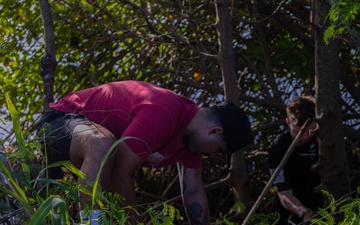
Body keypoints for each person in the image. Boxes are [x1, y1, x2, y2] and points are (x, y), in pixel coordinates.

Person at [37, 80, 253, 224]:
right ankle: (91, 222)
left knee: (105, 147)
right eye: (218, 150)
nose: (213, 155)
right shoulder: (164, 111)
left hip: (89, 157)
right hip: (59, 124)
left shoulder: (190, 147)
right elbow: (120, 171)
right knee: (103, 144)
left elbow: (193, 191)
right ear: (215, 132)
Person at [268, 96, 323, 224]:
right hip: (292, 213)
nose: (304, 137)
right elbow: (284, 193)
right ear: (288, 122)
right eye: (298, 131)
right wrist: (303, 212)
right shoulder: (278, 149)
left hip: (323, 206)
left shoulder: (321, 136)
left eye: (310, 131)